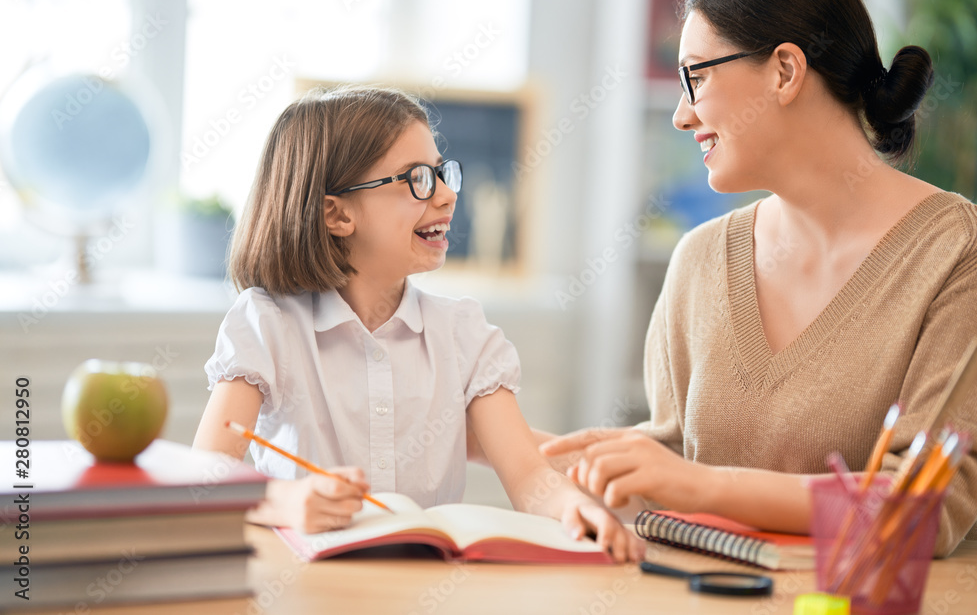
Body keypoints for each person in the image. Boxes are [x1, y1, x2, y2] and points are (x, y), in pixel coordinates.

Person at [541, 0, 977, 558]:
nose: (682, 115)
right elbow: (674, 474)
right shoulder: (700, 260)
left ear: (784, 71)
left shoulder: (964, 254)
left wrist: (705, 484)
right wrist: (519, 449)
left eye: (696, 77)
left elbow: (922, 511)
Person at [192, 85, 643, 563]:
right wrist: (286, 501)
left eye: (442, 174)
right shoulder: (267, 324)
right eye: (418, 179)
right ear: (337, 213)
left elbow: (530, 477)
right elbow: (204, 478)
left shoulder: (464, 333)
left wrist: (574, 507)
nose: (447, 195)